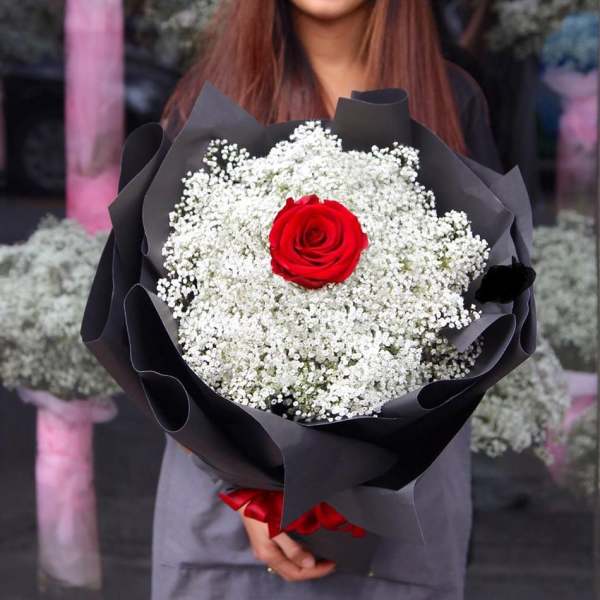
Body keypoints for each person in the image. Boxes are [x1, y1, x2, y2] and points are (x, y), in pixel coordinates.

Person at [154, 1, 500, 598]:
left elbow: (493, 302)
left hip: (401, 513)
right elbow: (155, 315)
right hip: (230, 520)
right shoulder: (207, 98)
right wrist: (249, 485)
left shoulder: (453, 98)